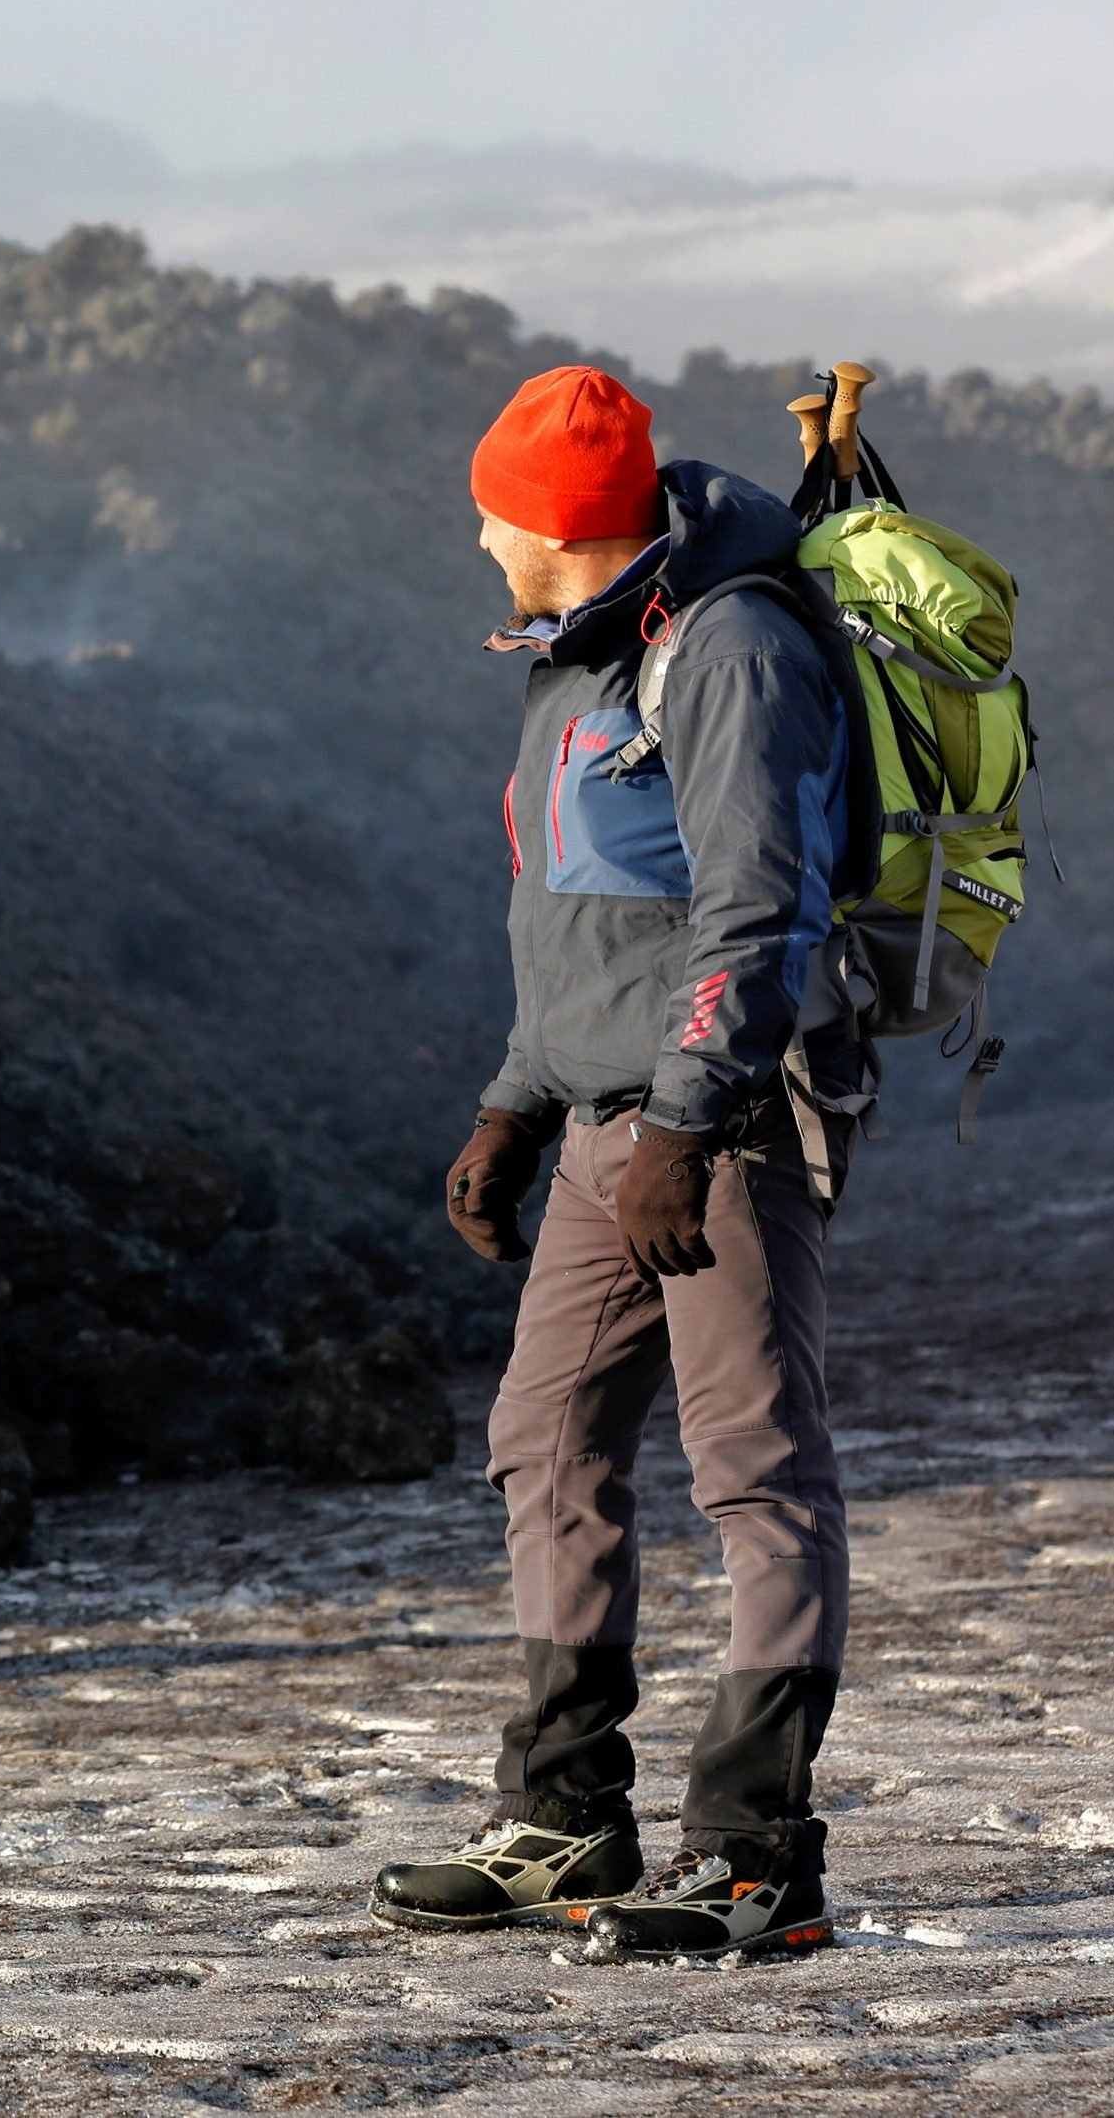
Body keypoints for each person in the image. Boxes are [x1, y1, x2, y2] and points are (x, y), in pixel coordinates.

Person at [370, 366, 859, 1962]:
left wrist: (682, 1119)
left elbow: (754, 909)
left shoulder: (731, 650)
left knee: (752, 1466)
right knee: (544, 1439)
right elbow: (584, 919)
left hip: (720, 1121)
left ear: (555, 526)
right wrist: (516, 1103)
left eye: (491, 510)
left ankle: (754, 1858)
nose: (475, 534)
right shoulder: (582, 656)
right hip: (602, 1125)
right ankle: (567, 1818)